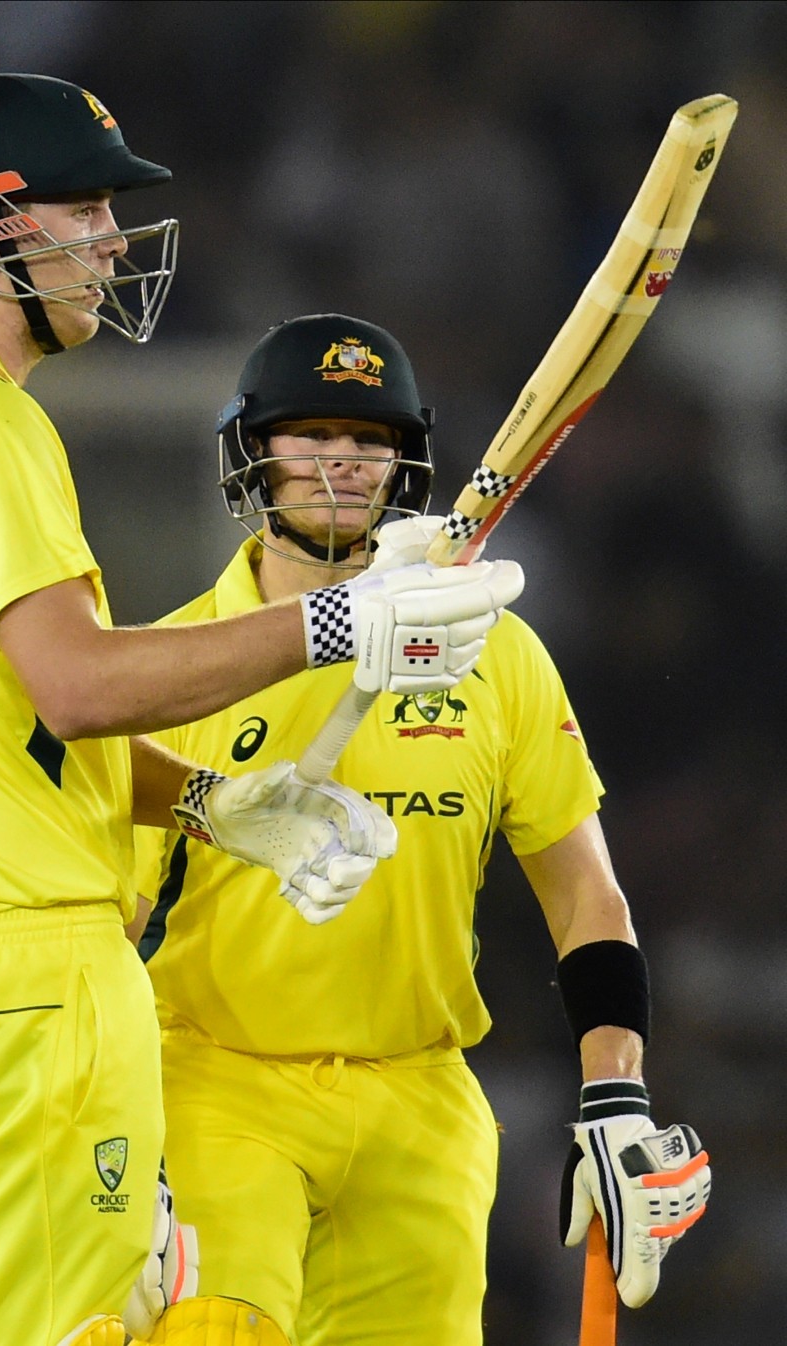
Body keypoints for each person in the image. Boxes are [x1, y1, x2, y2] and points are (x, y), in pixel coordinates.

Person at [0, 79, 526, 1346]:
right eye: (83, 208)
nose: (110, 239)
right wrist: (338, 622)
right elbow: (76, 684)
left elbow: (5, 726)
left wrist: (207, 801)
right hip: (25, 985)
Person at [131, 313, 713, 1346]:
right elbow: (111, 921)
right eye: (311, 434)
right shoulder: (180, 661)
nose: (342, 463)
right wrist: (104, 1135)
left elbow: (586, 892)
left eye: (369, 440)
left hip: (422, 1094)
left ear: (404, 462)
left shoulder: (499, 654)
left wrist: (615, 1090)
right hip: (219, 1081)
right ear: (253, 452)